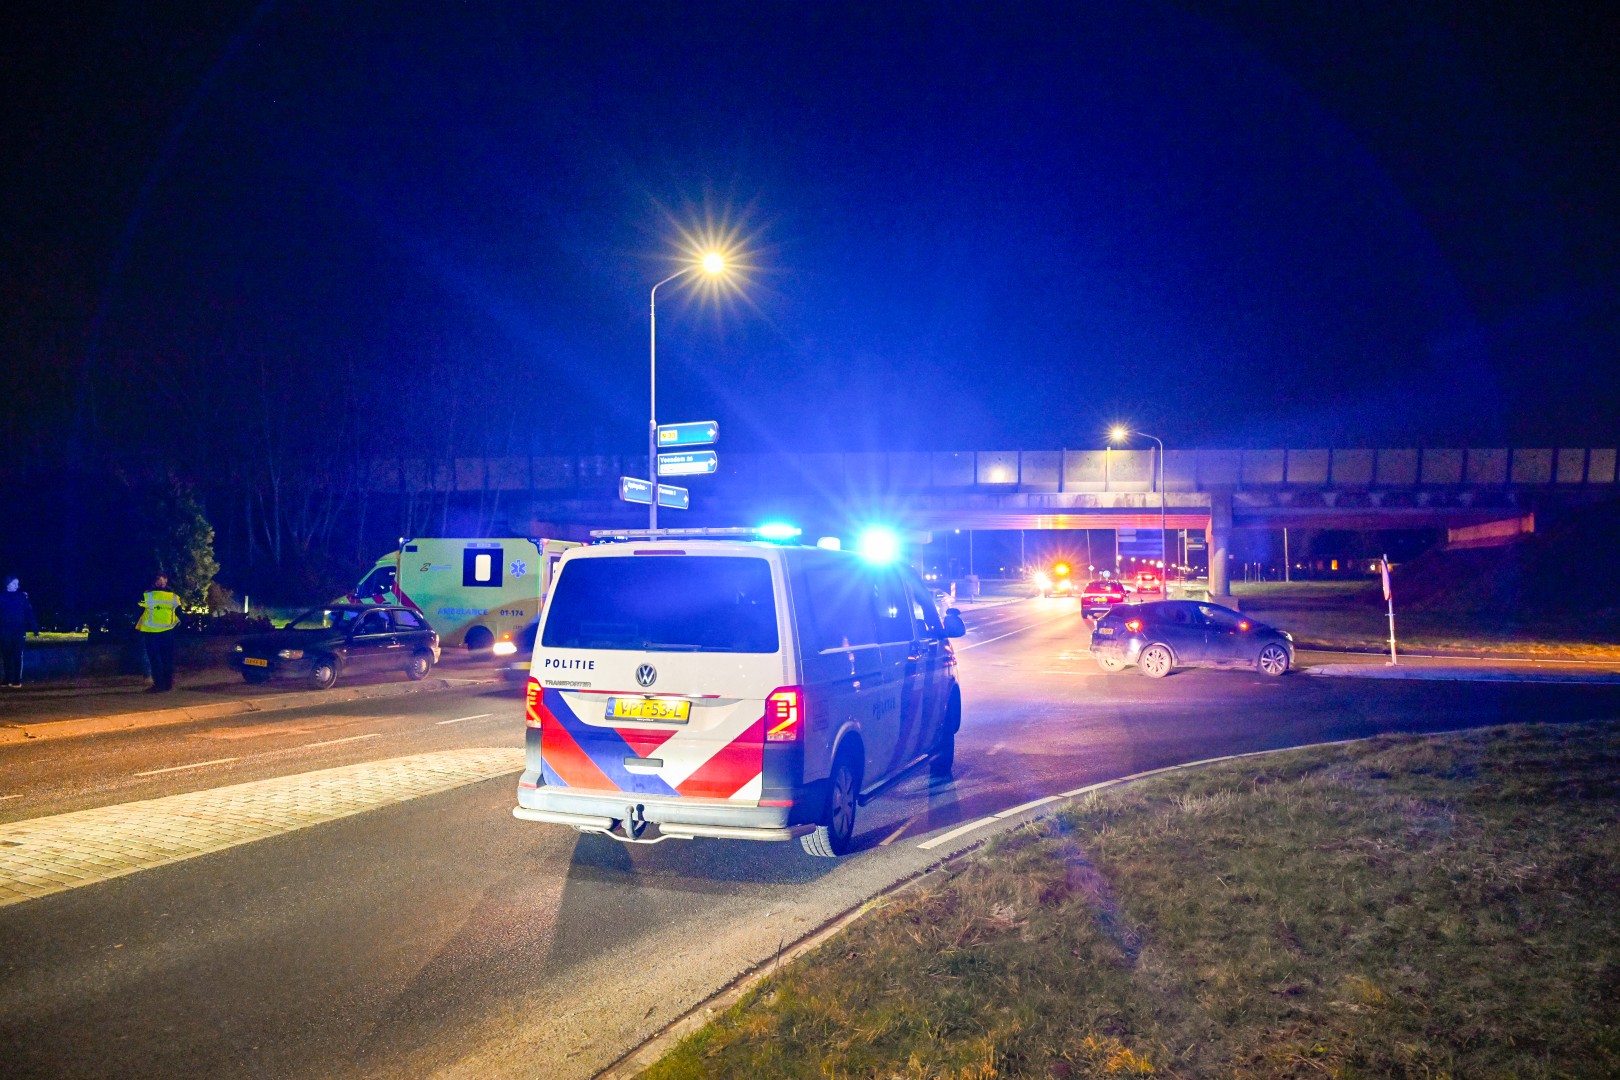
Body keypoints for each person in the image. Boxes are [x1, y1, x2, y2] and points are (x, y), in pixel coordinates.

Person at [137, 573, 183, 692]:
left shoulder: (147, 595)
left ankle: (159, 685)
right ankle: (168, 684)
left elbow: (138, 610)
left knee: (155, 659)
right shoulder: (173, 596)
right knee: (167, 658)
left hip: (151, 631)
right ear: (165, 582)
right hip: (168, 632)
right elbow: (180, 614)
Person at [0, 576, 39, 687]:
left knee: (17, 655)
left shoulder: (22, 597)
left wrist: (34, 627)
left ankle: (17, 679)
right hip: (5, 631)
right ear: (8, 584)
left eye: (17, 584)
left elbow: (29, 612)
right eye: (14, 583)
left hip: (19, 631)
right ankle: (7, 679)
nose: (17, 586)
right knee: (6, 655)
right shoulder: (1, 597)